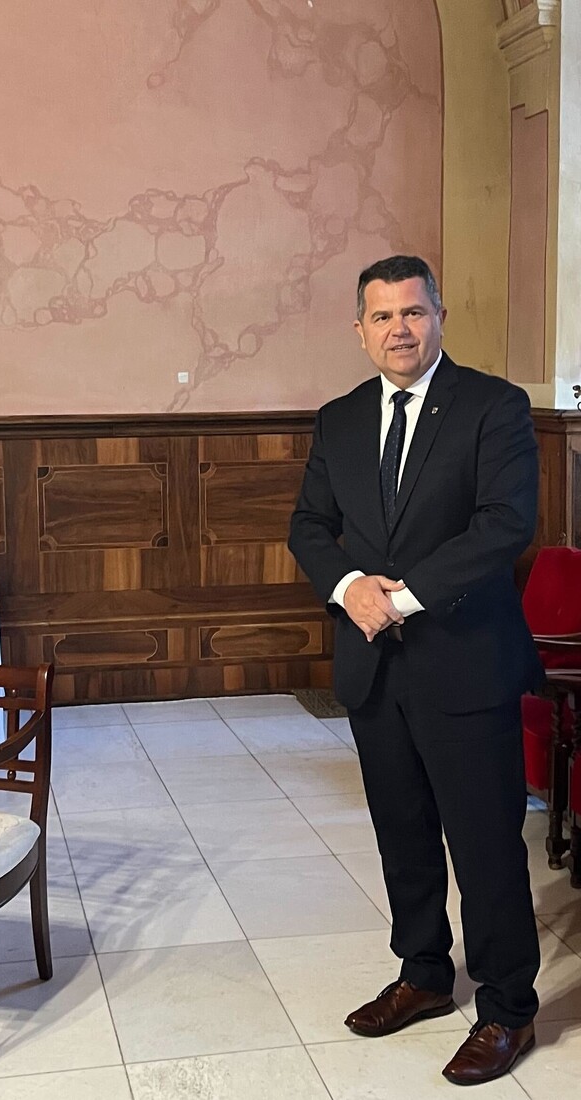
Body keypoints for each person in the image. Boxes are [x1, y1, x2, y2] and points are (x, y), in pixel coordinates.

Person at [288, 255, 542, 1087]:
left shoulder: (494, 407)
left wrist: (401, 598)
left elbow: (504, 524)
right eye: (382, 316)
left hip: (465, 664)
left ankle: (507, 1007)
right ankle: (425, 973)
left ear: (439, 317)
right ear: (359, 331)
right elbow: (309, 526)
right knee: (401, 832)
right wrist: (349, 587)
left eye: (413, 312)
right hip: (374, 668)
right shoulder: (338, 419)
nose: (399, 328)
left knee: (485, 844)